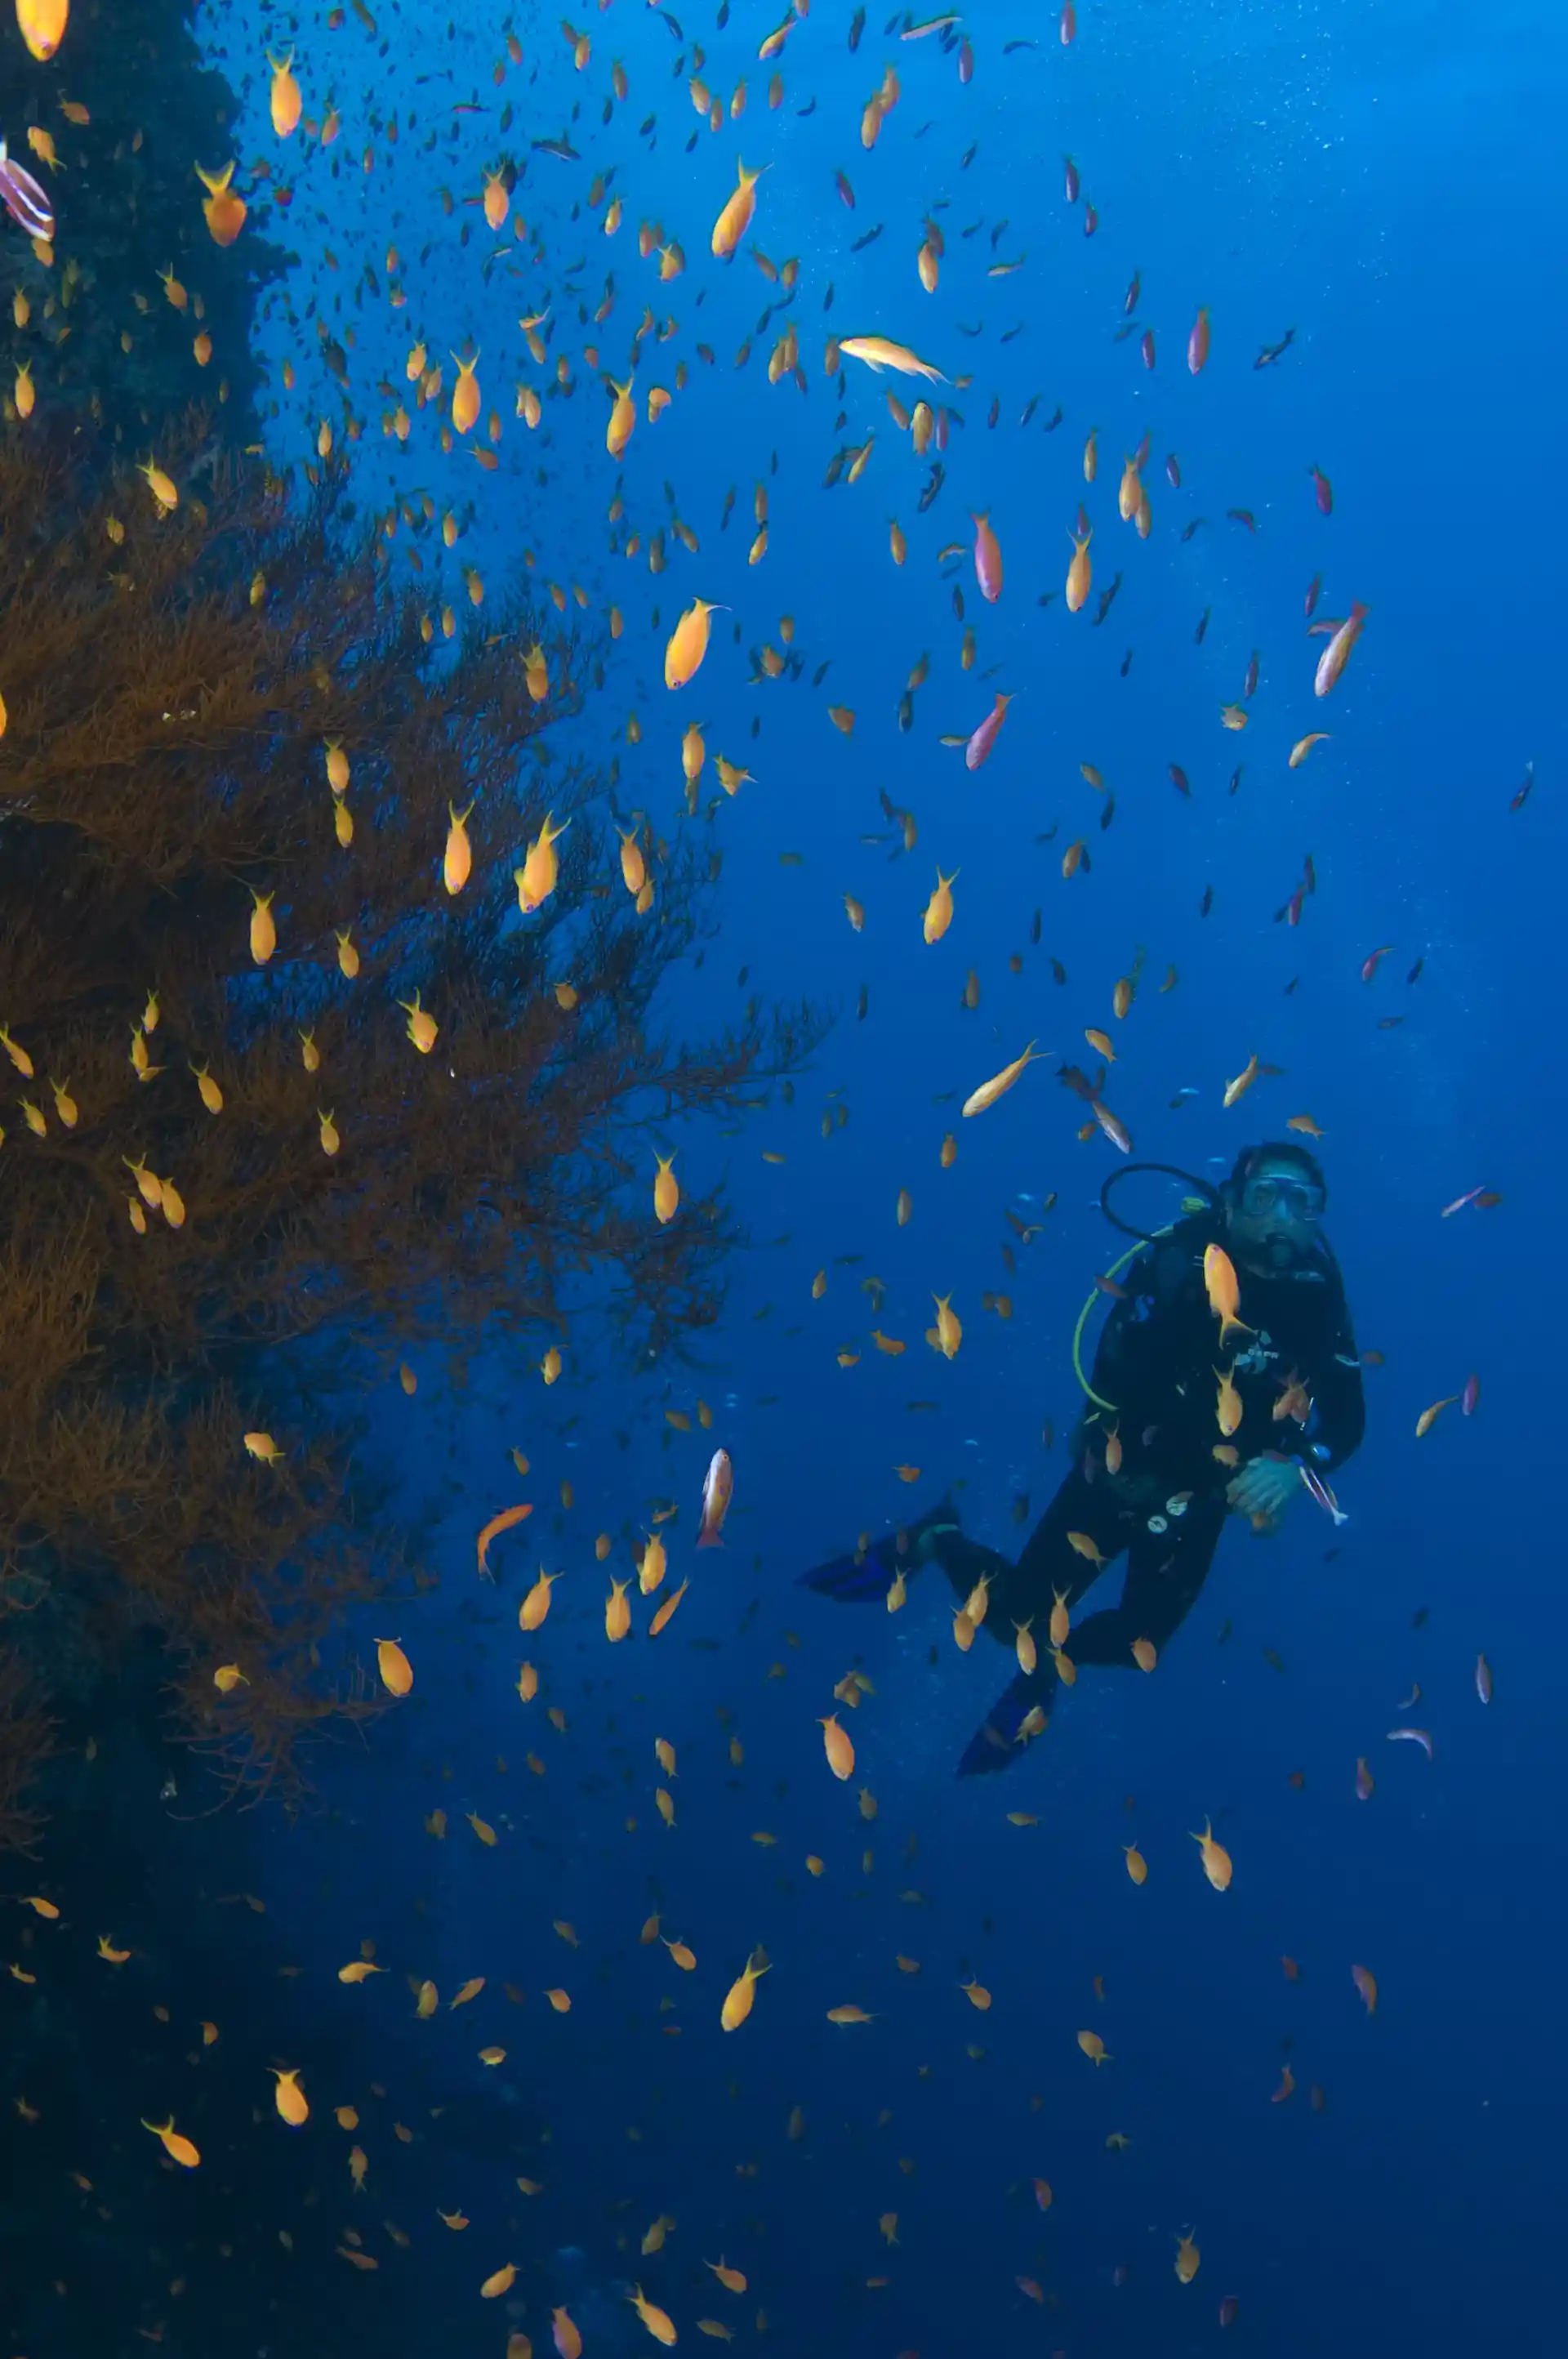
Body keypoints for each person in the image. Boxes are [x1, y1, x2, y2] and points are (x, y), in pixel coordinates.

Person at [801, 1141, 1365, 1776]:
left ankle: (1048, 1667)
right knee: (1013, 1617)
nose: (1283, 1215)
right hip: (1121, 1476)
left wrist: (1295, 1468)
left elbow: (1348, 1421)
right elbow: (1115, 1364)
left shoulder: (1319, 1299)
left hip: (1204, 1499)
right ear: (1231, 1205)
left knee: (1140, 1644)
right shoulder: (1183, 1264)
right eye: (1265, 1196)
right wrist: (1111, 1447)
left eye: (1302, 1201)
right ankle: (938, 1539)